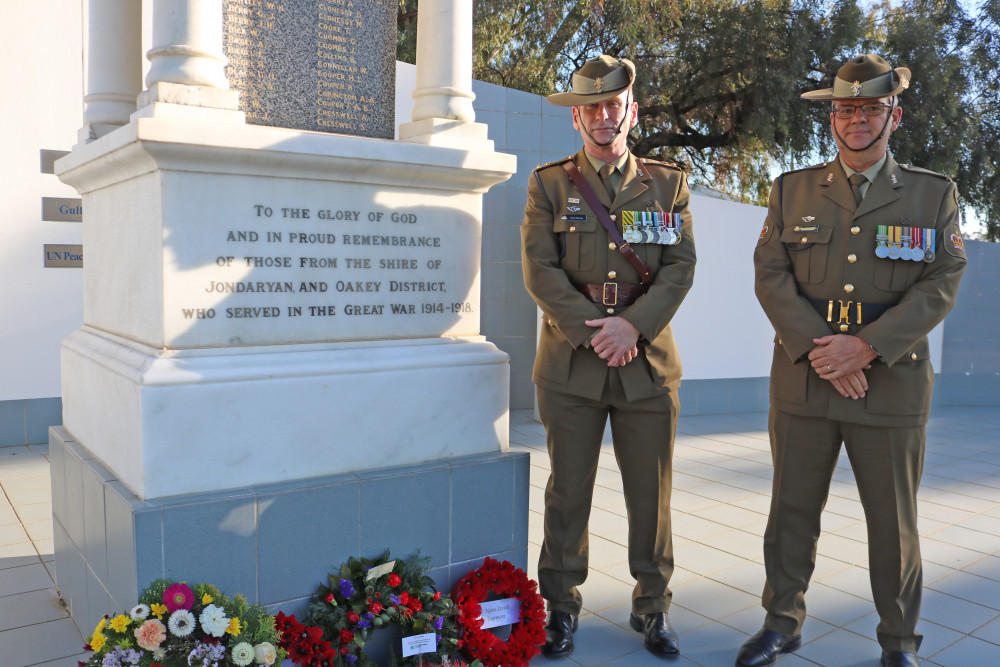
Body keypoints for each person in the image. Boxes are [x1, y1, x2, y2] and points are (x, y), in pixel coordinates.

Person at [738, 54, 968, 667]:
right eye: (845, 108)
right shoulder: (792, 190)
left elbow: (943, 280)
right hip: (805, 382)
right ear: (832, 118)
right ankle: (781, 623)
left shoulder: (932, 194)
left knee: (893, 525)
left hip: (890, 385)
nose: (856, 119)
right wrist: (825, 351)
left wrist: (864, 347)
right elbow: (770, 275)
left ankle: (898, 642)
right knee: (790, 510)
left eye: (869, 108)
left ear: (894, 115)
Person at [521, 54, 696, 660]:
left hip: (645, 363)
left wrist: (632, 328)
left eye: (613, 105)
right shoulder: (548, 184)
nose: (602, 115)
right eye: (590, 106)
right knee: (568, 492)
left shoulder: (668, 183)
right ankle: (562, 608)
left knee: (651, 495)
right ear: (578, 118)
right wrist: (596, 331)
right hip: (573, 363)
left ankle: (652, 608)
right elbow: (539, 271)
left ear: (631, 111)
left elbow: (679, 270)